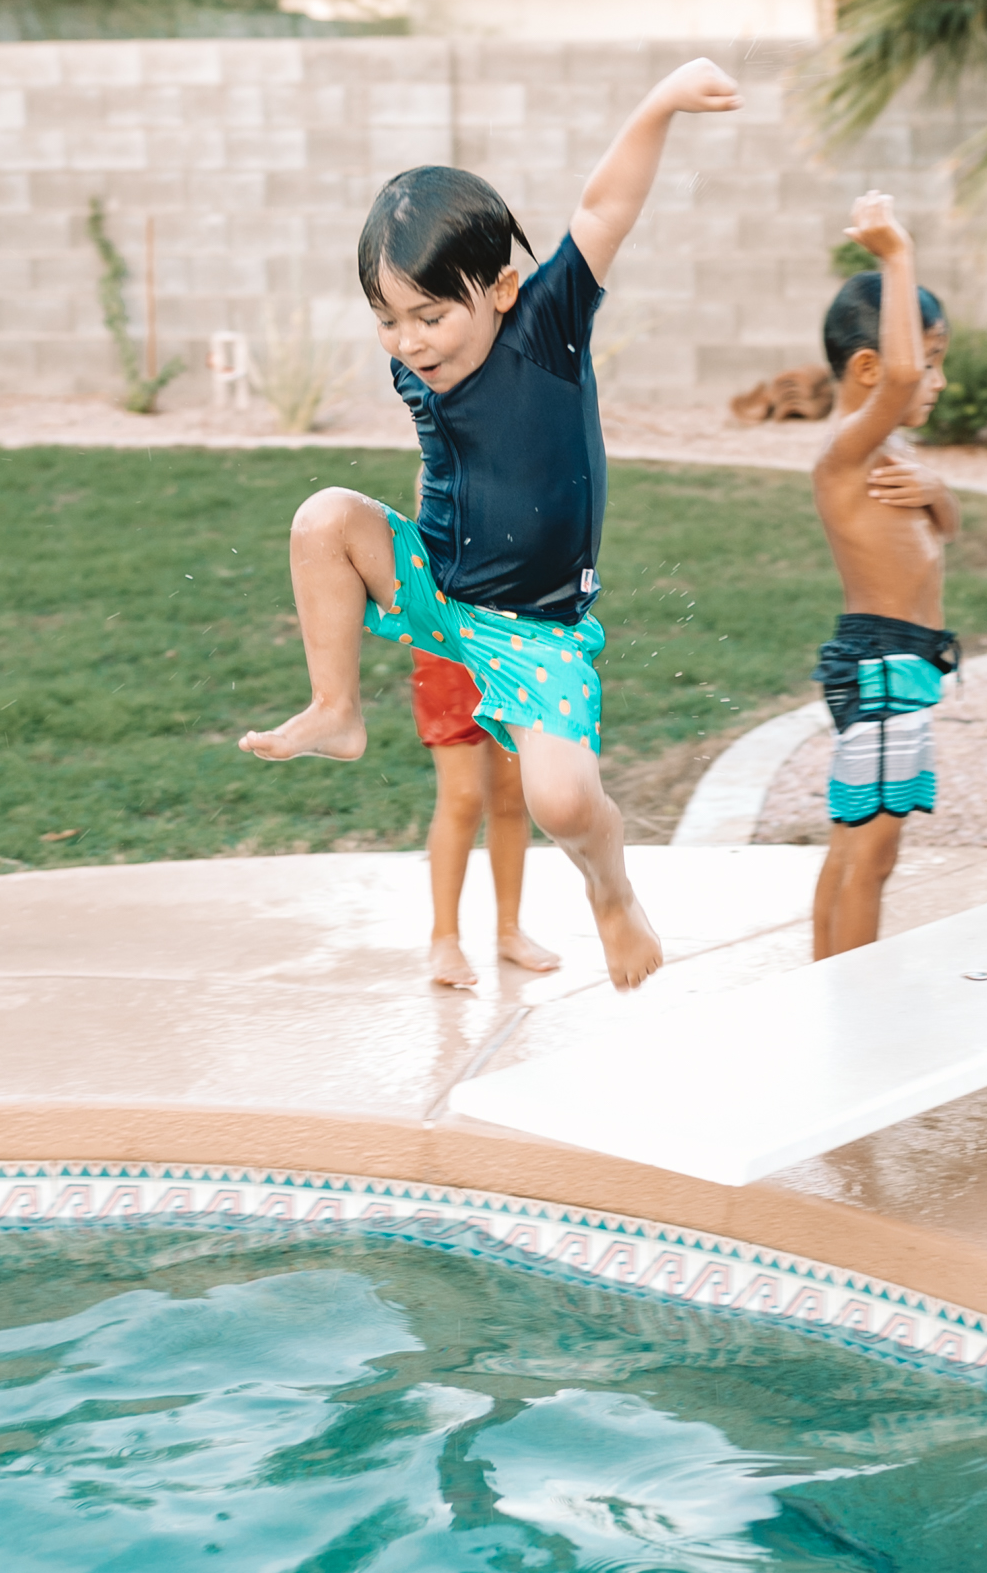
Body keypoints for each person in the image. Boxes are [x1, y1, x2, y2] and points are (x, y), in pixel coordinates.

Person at [238, 56, 743, 989]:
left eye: (429, 316)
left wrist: (662, 101)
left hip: (536, 629)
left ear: (501, 290)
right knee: (322, 518)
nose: (408, 343)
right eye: (387, 321)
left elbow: (602, 209)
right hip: (438, 587)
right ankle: (336, 709)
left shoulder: (544, 327)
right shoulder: (416, 369)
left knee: (559, 799)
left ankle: (611, 889)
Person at [809, 195, 960, 958]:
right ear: (869, 368)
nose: (932, 379)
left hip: (903, 663)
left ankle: (825, 990)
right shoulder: (848, 448)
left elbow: (945, 533)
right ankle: (846, 1003)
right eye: (931, 359)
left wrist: (940, 494)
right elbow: (900, 381)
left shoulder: (892, 456)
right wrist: (897, 258)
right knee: (868, 855)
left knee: (858, 846)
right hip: (881, 664)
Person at [410, 645, 561, 989]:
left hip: (512, 638)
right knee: (463, 797)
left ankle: (510, 929)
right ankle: (444, 937)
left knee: (511, 796)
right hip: (448, 641)